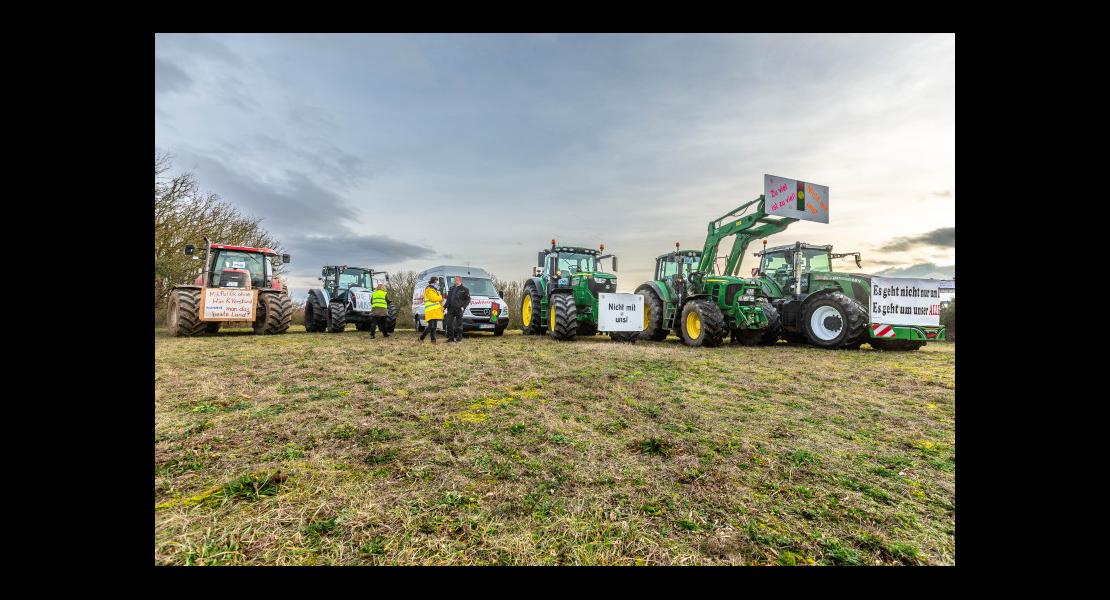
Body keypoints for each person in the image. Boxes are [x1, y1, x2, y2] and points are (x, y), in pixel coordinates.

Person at [444, 275, 471, 343]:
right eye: (454, 280)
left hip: (459, 309)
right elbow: (448, 299)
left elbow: (467, 300)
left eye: (455, 280)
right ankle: (451, 338)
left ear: (459, 280)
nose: (454, 281)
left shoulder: (465, 289)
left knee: (459, 324)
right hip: (450, 309)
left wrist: (463, 307)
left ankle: (459, 338)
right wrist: (444, 307)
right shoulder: (451, 288)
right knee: (449, 323)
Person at [418, 276, 444, 343]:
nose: (438, 282)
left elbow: (438, 301)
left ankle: (433, 340)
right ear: (435, 281)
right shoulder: (429, 289)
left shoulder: (435, 289)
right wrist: (441, 297)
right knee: (431, 326)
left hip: (435, 311)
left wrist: (442, 308)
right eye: (438, 281)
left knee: (434, 327)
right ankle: (421, 337)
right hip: (430, 311)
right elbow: (433, 298)